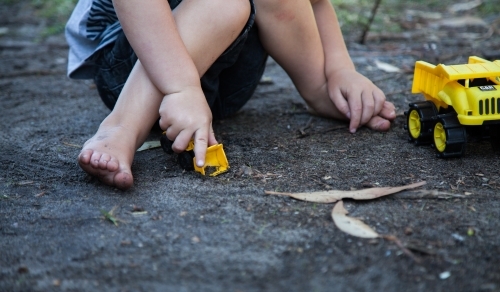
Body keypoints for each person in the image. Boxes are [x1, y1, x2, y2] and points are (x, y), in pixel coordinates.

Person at [65, 0, 396, 190]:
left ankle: (321, 89)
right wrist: (182, 87)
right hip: (135, 57)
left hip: (226, 72)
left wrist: (339, 68)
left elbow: (316, 3)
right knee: (224, 3)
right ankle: (122, 126)